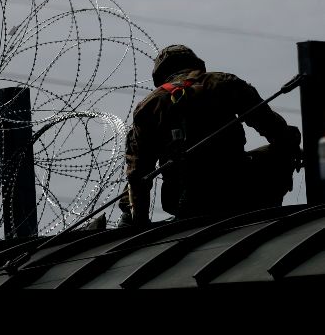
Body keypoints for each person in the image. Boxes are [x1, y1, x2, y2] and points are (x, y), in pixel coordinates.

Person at [119, 45, 302, 226]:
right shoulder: (224, 82)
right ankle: (264, 216)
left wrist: (139, 223)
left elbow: (138, 173)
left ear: (159, 75)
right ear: (196, 64)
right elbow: (272, 126)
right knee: (287, 139)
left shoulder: (148, 106)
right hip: (237, 185)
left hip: (182, 199)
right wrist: (293, 149)